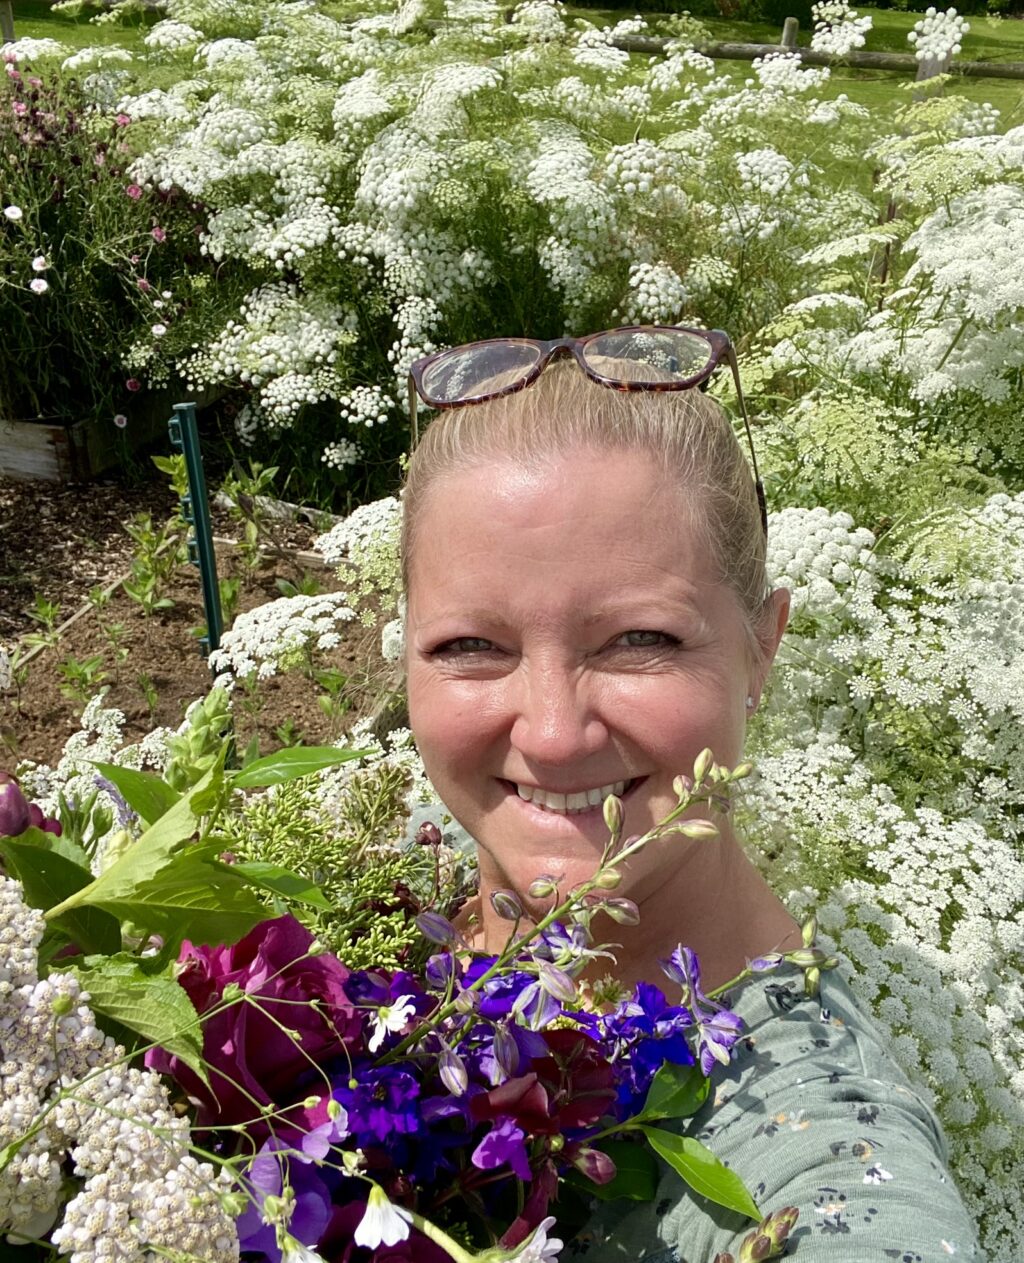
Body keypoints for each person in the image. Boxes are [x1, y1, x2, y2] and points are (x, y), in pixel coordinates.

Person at [400, 328, 983, 1261]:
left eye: (642, 639)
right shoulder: (398, 868)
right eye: (470, 646)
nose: (551, 733)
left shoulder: (813, 1138)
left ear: (764, 644)